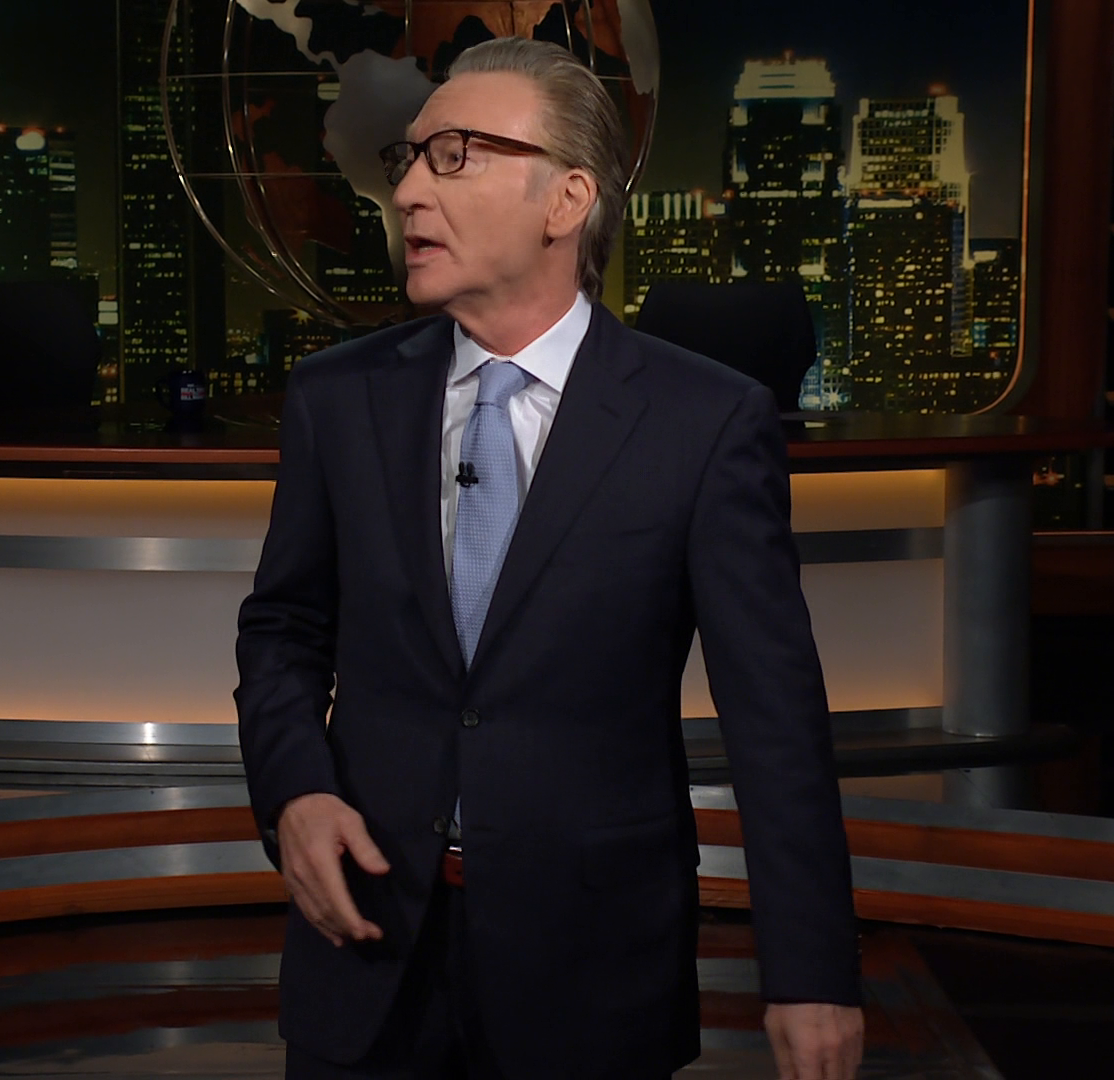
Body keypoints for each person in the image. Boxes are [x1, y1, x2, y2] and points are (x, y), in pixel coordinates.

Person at [235, 36, 863, 1079]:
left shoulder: (703, 422)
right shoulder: (337, 399)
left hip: (592, 967)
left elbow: (776, 719)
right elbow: (283, 631)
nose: (409, 192)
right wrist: (296, 793)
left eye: (454, 156)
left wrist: (812, 973)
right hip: (369, 947)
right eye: (408, 159)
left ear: (567, 199)